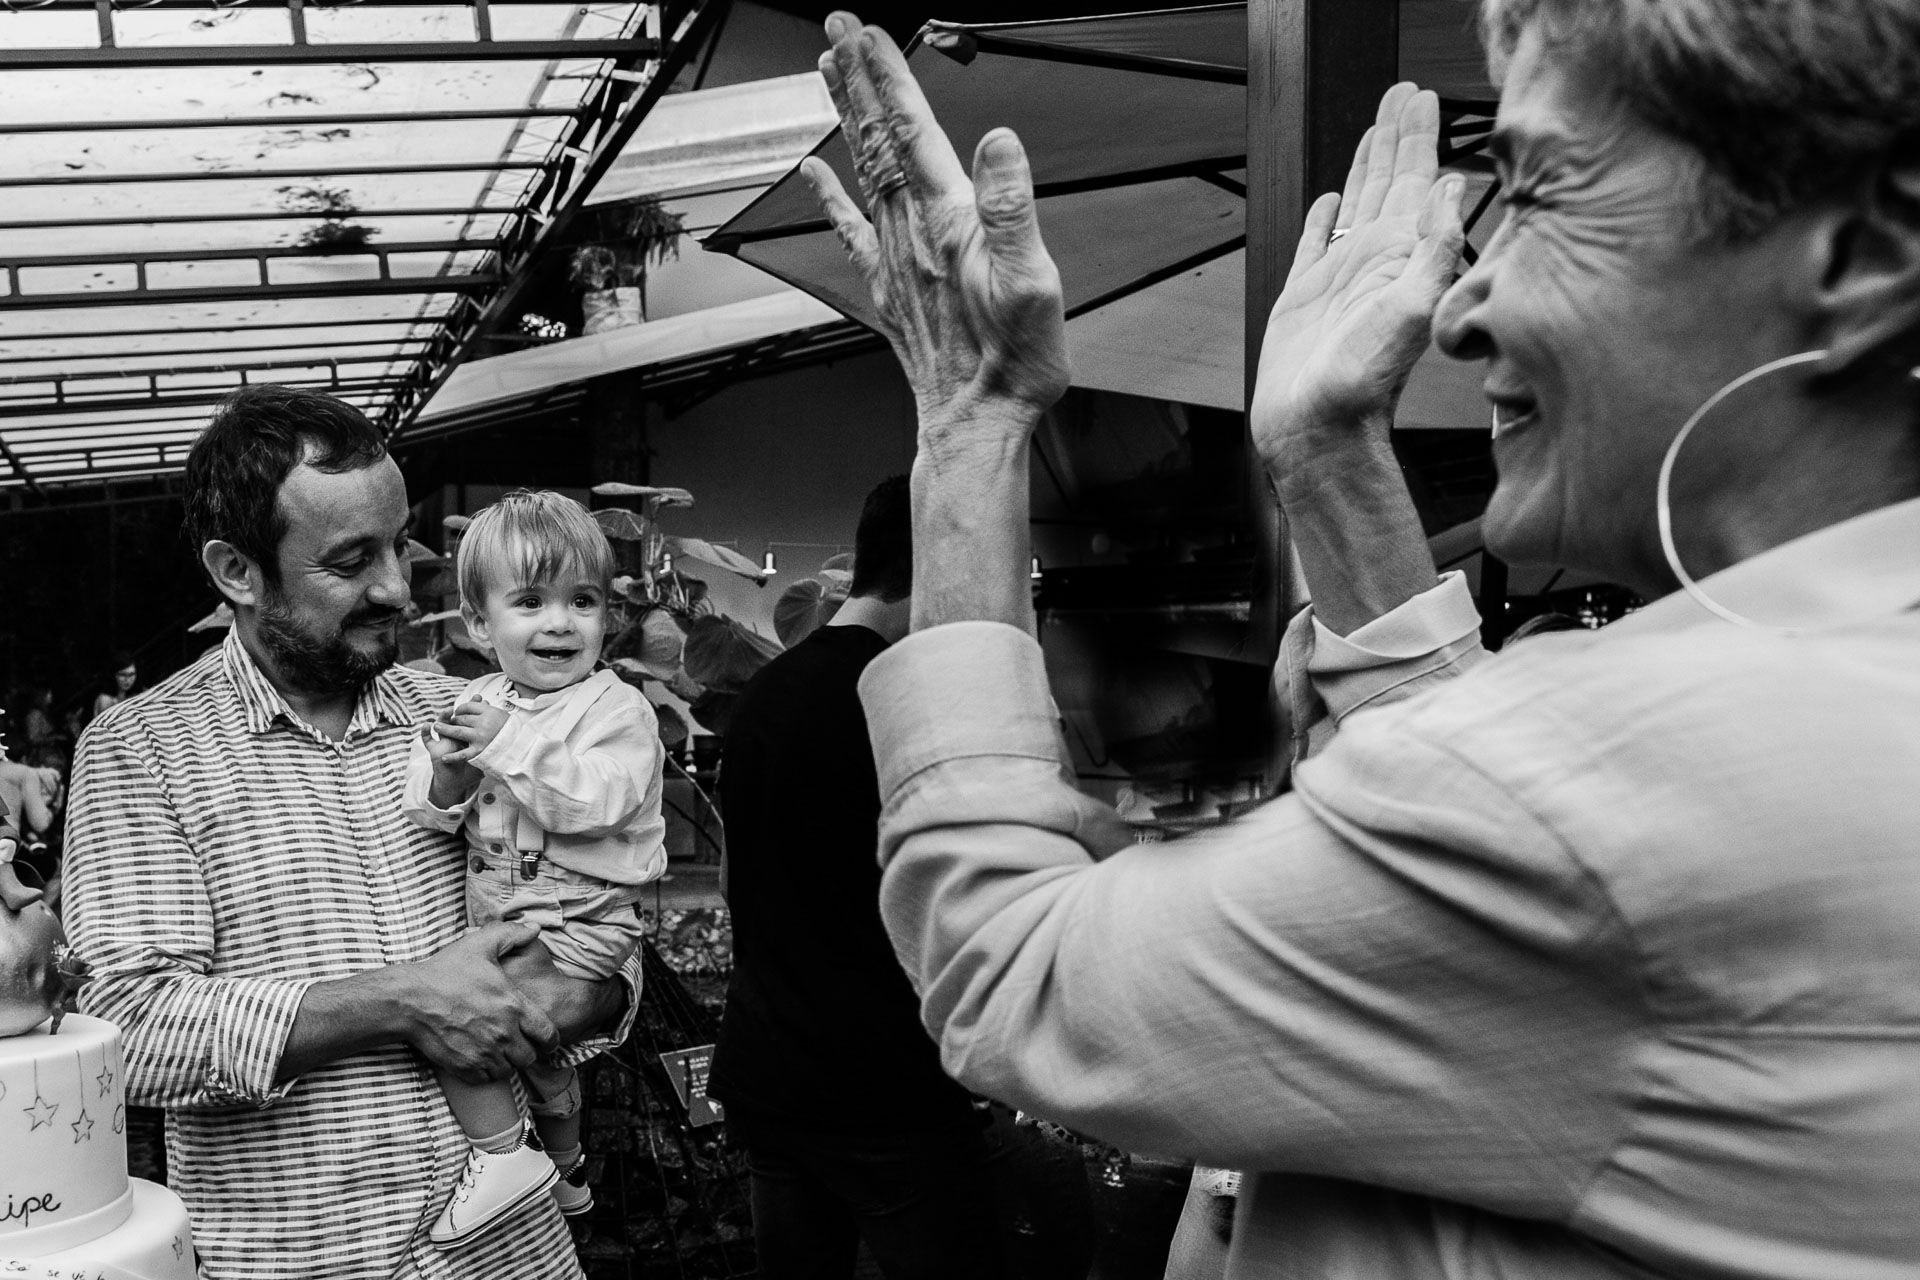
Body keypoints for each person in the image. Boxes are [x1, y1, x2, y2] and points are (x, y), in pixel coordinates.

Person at [802, 5, 1920, 1278]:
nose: (1462, 304)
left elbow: (1012, 973)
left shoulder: (1629, 778)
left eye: (1546, 193)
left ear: (1866, 255)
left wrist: (970, 421)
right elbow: (1532, 929)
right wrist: (1328, 462)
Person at [62, 384, 640, 1280]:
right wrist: (404, 998)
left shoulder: (465, 714)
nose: (395, 588)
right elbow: (126, 1028)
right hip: (310, 1258)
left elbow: (604, 930)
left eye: (399, 546)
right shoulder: (143, 751)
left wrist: (579, 997)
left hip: (513, 1254)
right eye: (349, 560)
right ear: (237, 572)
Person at [710, 476, 1014, 1280]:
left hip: (770, 1069)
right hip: (882, 1084)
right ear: (948, 565)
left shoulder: (768, 691)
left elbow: (738, 874)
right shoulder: (904, 703)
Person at [401, 489, 667, 1246]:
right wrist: (449, 779)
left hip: (582, 922)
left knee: (457, 1021)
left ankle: (501, 1156)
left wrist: (505, 744)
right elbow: (427, 809)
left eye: (582, 601)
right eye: (530, 601)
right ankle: (570, 1171)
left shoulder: (615, 708)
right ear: (481, 625)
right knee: (543, 1059)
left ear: (607, 617)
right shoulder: (477, 698)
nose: (560, 622)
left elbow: (601, 801)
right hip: (506, 915)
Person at [91, 652, 138, 723]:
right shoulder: (105, 699)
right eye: (123, 674)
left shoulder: (137, 694)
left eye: (132, 674)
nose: (127, 679)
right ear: (113, 675)